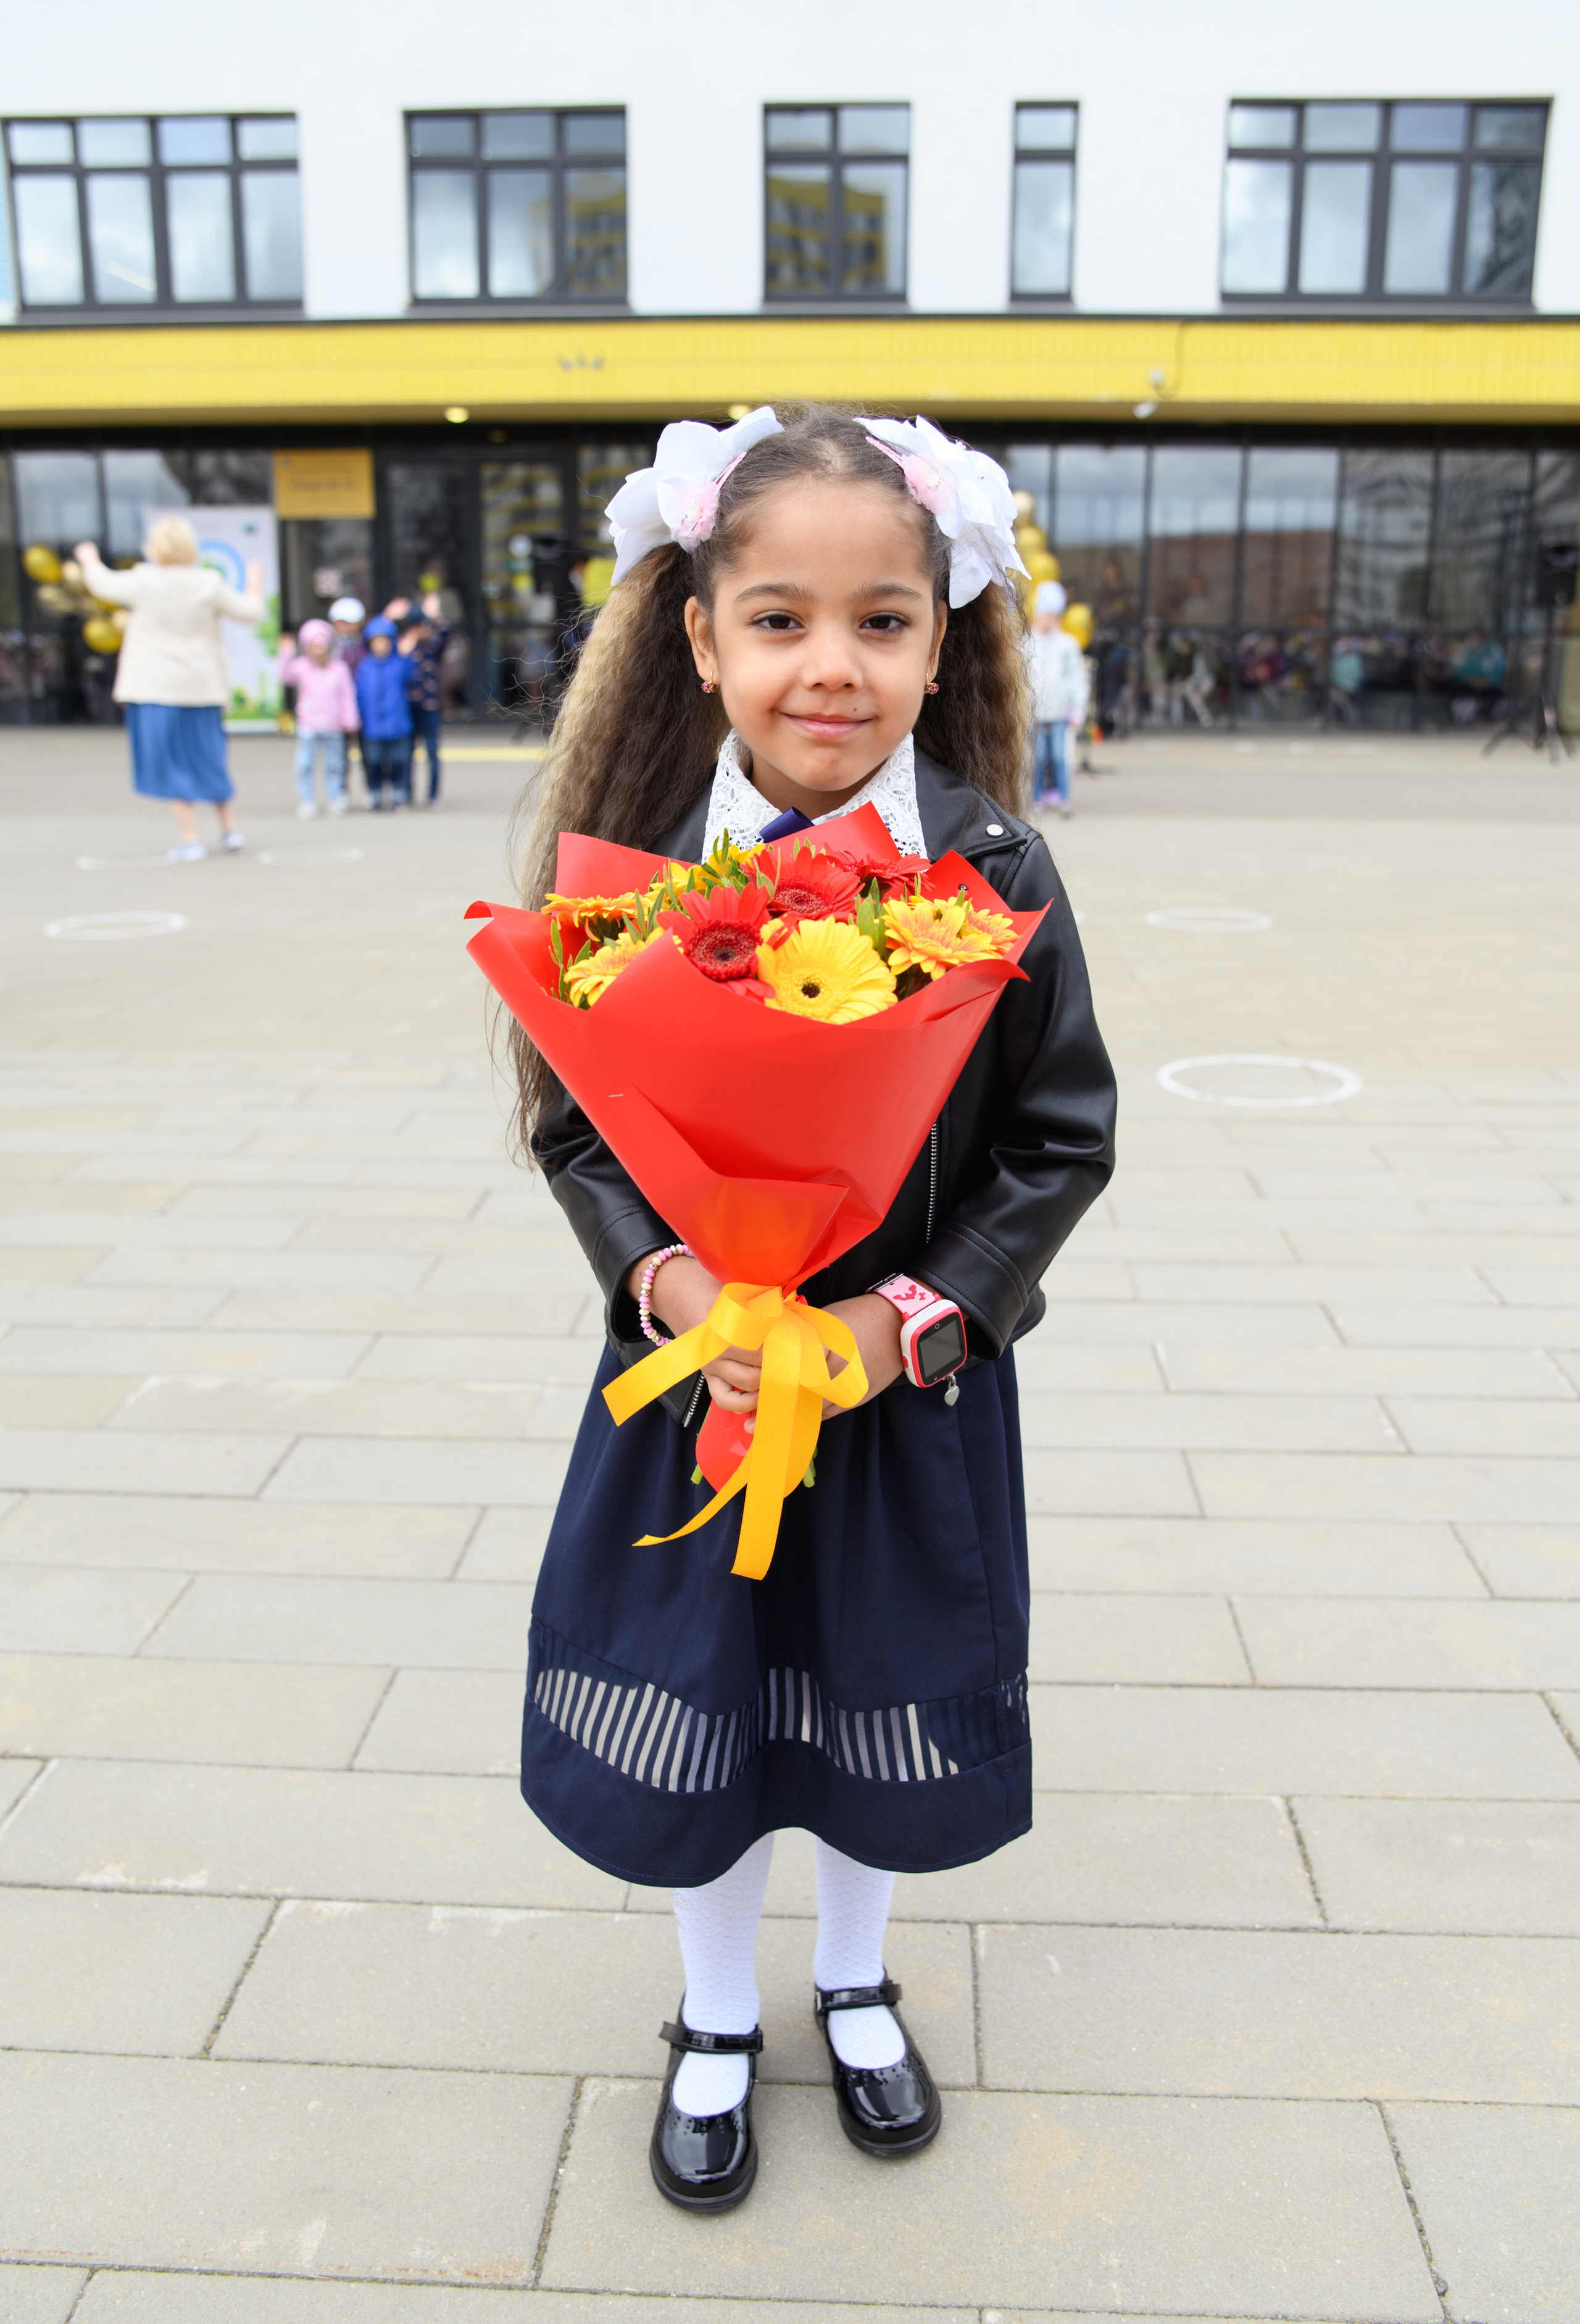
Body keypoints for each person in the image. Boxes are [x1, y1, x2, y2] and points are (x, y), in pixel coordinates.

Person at [512, 405, 1116, 2212]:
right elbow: (573, 1118)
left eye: (880, 619)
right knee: (705, 1698)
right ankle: (711, 2006)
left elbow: (1059, 1138)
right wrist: (665, 1271)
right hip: (705, 1396)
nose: (827, 665)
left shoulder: (992, 870)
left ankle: (852, 1977)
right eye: (777, 617)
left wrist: (905, 1320)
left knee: (875, 1692)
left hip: (903, 1397)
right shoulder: (628, 874)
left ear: (944, 641)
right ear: (700, 636)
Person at [75, 518, 260, 862]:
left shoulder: (145, 581)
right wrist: (254, 583)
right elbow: (250, 612)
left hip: (156, 688)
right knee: (209, 757)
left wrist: (88, 558)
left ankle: (190, 837)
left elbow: (101, 584)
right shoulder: (209, 582)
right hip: (202, 686)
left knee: (171, 762)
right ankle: (230, 828)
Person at [278, 617, 359, 818]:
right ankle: (307, 800)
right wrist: (286, 653)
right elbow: (285, 676)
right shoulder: (302, 667)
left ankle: (336, 798)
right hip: (309, 726)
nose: (317, 651)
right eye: (313, 646)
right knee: (305, 765)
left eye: (320, 646)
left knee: (335, 765)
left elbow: (347, 695)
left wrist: (350, 719)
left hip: (334, 726)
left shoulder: (339, 668)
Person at [1026, 579, 1089, 815]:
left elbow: (1076, 677)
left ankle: (1064, 797)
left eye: (1053, 614)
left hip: (1060, 710)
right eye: (1045, 614)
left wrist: (1078, 707)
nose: (1048, 619)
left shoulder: (1067, 644)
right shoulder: (1027, 643)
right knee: (1039, 757)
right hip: (1036, 710)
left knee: (1060, 756)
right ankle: (1037, 797)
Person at [353, 614, 419, 809]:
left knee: (399, 762)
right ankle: (376, 794)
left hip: (398, 724)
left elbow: (411, 677)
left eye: (385, 640)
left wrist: (406, 654)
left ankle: (400, 795)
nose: (381, 645)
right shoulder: (365, 667)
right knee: (373, 763)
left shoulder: (399, 664)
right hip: (373, 726)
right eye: (377, 641)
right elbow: (360, 694)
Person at [396, 593, 451, 806]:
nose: (420, 630)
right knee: (406, 752)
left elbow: (447, 633)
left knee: (432, 752)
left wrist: (436, 616)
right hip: (407, 707)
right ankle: (407, 793)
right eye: (416, 626)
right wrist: (405, 648)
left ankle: (433, 794)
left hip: (429, 706)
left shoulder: (432, 646)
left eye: (423, 625)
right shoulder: (404, 648)